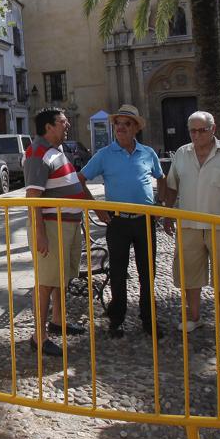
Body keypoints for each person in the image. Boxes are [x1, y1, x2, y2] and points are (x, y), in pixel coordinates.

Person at [160, 111, 220, 336]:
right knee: (189, 272)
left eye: (202, 130)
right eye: (193, 130)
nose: (197, 135)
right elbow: (172, 186)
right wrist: (168, 214)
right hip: (189, 225)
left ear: (213, 129)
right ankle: (193, 317)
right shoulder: (182, 154)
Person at [80, 104, 166, 338]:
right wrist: (97, 208)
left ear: (135, 128)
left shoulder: (148, 153)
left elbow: (161, 178)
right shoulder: (104, 155)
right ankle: (116, 319)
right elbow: (81, 179)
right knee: (118, 272)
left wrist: (162, 204)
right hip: (117, 223)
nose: (121, 127)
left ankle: (148, 319)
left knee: (147, 272)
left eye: (126, 124)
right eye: (117, 123)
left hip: (144, 222)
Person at [24, 107, 90, 357]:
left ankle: (58, 321)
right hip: (52, 227)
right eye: (63, 122)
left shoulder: (56, 150)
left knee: (61, 277)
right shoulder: (37, 153)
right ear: (49, 127)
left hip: (68, 225)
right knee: (46, 281)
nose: (68, 125)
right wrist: (39, 233)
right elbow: (33, 198)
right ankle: (38, 336)